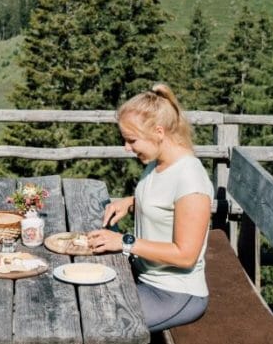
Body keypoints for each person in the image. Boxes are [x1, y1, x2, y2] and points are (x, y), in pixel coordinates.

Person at [86, 83, 213, 332]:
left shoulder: (190, 178)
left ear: (158, 131)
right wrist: (132, 202)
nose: (127, 148)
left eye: (132, 140)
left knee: (98, 325)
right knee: (83, 304)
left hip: (175, 293)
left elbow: (185, 255)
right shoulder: (158, 163)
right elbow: (166, 200)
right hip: (145, 277)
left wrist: (124, 242)